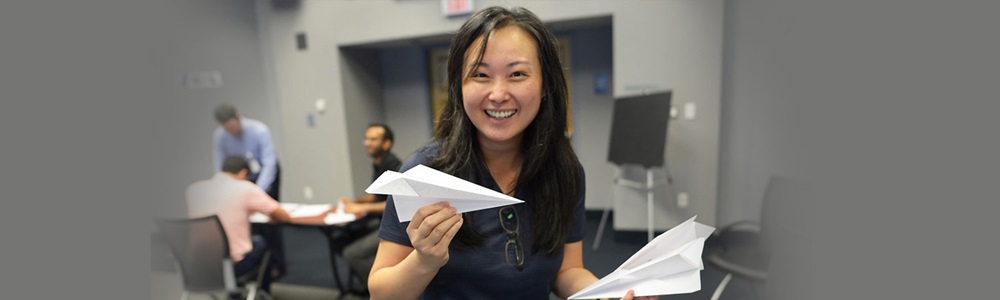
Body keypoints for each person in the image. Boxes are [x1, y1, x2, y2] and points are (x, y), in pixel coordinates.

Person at [368, 7, 654, 300]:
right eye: (481, 74)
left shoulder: (564, 171)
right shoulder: (425, 172)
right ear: (459, 87)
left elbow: (567, 271)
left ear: (545, 85)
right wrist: (424, 261)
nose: (498, 93)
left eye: (517, 74)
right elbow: (381, 294)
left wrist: (605, 293)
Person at [186, 155, 291, 296]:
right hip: (231, 267)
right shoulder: (246, 188)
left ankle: (237, 294)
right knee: (263, 243)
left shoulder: (194, 190)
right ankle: (261, 293)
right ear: (243, 173)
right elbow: (282, 215)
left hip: (197, 266)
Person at [212, 103, 287, 277]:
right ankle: (253, 262)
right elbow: (219, 165)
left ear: (238, 118)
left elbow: (270, 163)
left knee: (270, 219)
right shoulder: (219, 137)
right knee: (244, 219)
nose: (230, 131)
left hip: (263, 175)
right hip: (236, 176)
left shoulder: (259, 130)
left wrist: (255, 192)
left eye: (232, 126)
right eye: (226, 128)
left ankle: (277, 263)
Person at [340, 123, 403, 289]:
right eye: (366, 139)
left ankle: (385, 290)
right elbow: (376, 195)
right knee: (341, 238)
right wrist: (355, 203)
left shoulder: (393, 165)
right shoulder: (379, 163)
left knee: (351, 254)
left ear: (386, 144)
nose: (367, 143)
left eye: (373, 139)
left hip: (394, 226)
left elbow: (396, 203)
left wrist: (361, 208)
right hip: (379, 222)